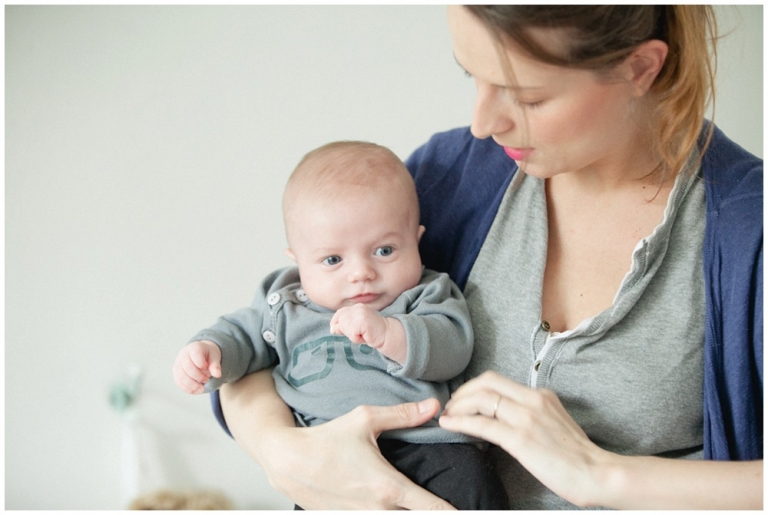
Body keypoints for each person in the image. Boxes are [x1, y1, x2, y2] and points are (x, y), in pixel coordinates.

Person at [212, 6, 763, 509]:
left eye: (526, 96)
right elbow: (279, 329)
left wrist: (601, 474)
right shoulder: (449, 175)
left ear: (640, 68)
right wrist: (278, 449)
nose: (483, 123)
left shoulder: (748, 230)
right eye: (471, 75)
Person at [173, 140, 509, 510]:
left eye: (384, 250)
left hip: (430, 446)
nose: (361, 273)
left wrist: (390, 333)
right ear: (299, 261)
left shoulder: (426, 293)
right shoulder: (284, 303)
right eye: (333, 259)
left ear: (415, 240)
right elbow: (241, 336)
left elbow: (453, 347)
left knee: (474, 483)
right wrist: (210, 351)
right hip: (327, 465)